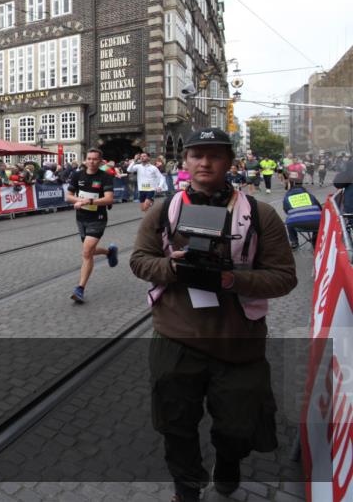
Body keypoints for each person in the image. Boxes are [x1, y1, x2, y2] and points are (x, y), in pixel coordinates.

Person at [129, 127, 297, 502]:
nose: (205, 162)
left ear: (229, 162)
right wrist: (172, 269)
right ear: (185, 162)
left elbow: (285, 277)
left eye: (215, 155)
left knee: (239, 426)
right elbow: (140, 261)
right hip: (176, 336)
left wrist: (229, 279)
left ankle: (228, 461)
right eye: (197, 155)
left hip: (238, 341)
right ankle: (187, 486)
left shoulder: (259, 214)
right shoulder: (164, 210)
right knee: (175, 423)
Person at [64, 148, 119, 303]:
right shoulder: (77, 175)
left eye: (95, 159)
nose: (92, 161)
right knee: (90, 250)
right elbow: (68, 196)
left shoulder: (106, 177)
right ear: (85, 160)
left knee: (87, 252)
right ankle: (109, 252)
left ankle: (80, 289)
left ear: (100, 161)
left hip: (98, 217)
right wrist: (78, 202)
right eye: (89, 158)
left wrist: (90, 201)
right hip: (81, 218)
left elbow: (109, 199)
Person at [282, 184, 322, 249]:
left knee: (289, 221)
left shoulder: (287, 198)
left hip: (297, 223)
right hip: (316, 223)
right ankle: (315, 242)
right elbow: (320, 209)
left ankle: (294, 242)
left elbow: (286, 211)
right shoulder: (310, 196)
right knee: (317, 217)